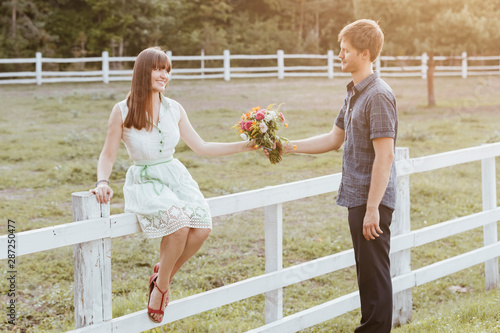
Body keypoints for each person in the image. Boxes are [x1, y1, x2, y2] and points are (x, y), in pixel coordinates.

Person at [91, 46, 255, 323]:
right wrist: (102, 181)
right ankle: (162, 289)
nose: (164, 75)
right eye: (158, 68)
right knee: (178, 225)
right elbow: (108, 153)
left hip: (174, 175)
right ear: (144, 71)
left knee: (202, 228)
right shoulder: (122, 110)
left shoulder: (174, 109)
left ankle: (161, 275)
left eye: (167, 70)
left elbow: (201, 147)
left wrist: (246, 146)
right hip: (144, 179)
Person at [276, 19, 398, 332]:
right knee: (367, 275)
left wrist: (373, 208)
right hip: (357, 197)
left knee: (375, 275)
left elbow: (385, 155)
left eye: (346, 50)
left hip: (371, 200)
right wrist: (286, 147)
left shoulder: (379, 96)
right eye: (340, 49)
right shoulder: (355, 94)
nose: (339, 55)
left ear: (365, 54)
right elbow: (333, 139)